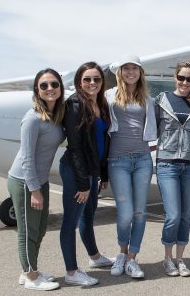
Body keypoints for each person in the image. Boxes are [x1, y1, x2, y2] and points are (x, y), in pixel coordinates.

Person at [8, 69, 65, 291]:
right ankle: (32, 277)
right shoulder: (32, 118)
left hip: (40, 180)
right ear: (37, 90)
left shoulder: (56, 115)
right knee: (27, 231)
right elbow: (27, 159)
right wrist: (34, 189)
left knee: (40, 229)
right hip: (24, 181)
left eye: (54, 84)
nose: (50, 89)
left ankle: (28, 271)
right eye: (44, 85)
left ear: (60, 87)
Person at [59, 62, 113, 286]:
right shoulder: (74, 105)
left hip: (91, 170)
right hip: (75, 171)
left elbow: (101, 141)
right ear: (79, 82)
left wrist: (102, 173)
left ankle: (94, 257)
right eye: (87, 79)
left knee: (88, 216)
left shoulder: (99, 103)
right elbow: (76, 146)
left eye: (97, 79)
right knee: (71, 221)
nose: (92, 83)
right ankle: (71, 272)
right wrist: (83, 182)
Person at [106, 55, 156, 279]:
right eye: (126, 68)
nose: (130, 72)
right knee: (125, 213)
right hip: (118, 160)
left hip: (142, 159)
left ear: (140, 72)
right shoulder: (109, 95)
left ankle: (132, 258)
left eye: (134, 68)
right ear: (120, 72)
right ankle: (121, 253)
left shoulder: (147, 98)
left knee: (140, 212)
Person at [155, 61, 190, 277]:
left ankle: (180, 258)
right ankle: (167, 258)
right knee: (173, 215)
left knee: (186, 215)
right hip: (167, 163)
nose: (185, 82)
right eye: (181, 78)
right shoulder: (161, 100)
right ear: (175, 78)